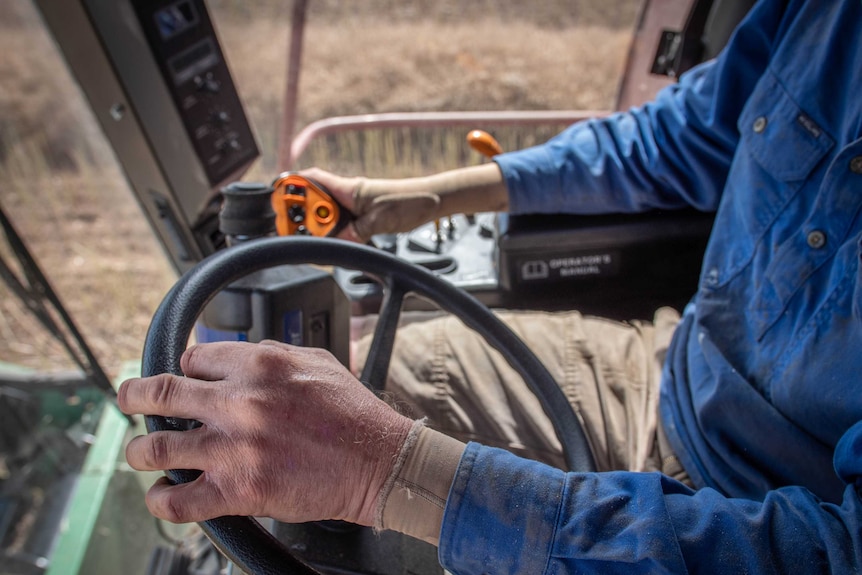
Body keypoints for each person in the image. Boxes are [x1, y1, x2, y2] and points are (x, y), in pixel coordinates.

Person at [118, 0, 862, 572]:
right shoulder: (826, 18)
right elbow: (678, 138)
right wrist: (429, 197)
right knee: (358, 370)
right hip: (667, 371)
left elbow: (835, 554)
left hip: (763, 504)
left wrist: (390, 471)